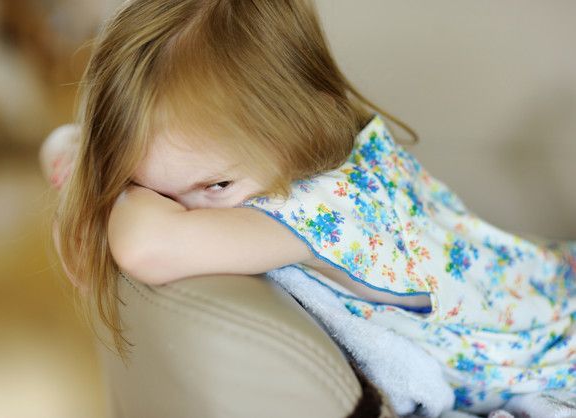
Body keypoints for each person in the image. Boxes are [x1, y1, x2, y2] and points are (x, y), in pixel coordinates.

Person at [41, 0, 576, 414]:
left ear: (300, 126)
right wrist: (94, 162)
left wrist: (100, 188)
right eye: (153, 187)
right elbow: (60, 143)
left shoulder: (339, 209)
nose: (181, 210)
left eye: (215, 186)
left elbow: (146, 246)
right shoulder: (278, 158)